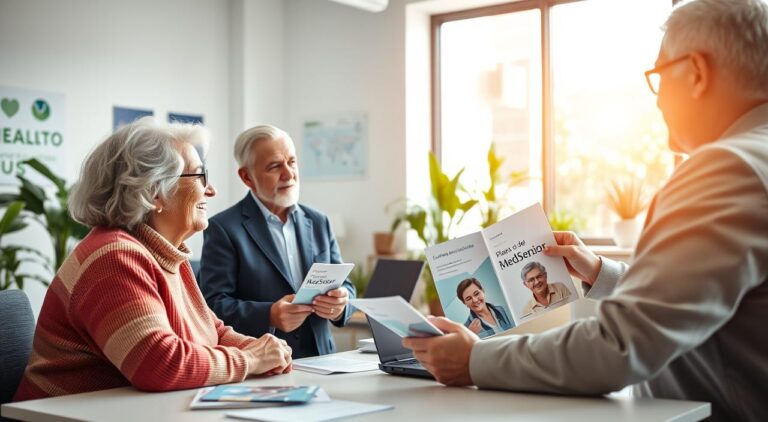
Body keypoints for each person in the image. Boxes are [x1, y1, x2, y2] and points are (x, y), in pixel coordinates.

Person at [402, 1, 768, 420]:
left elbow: (620, 346)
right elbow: (698, 295)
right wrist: (598, 270)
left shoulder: (727, 169)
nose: (659, 100)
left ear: (697, 73)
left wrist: (474, 360)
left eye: (659, 77)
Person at [13, 118, 292, 401]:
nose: (211, 190)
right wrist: (252, 361)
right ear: (154, 193)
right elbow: (161, 364)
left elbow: (212, 332)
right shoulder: (113, 257)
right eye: (200, 176)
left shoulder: (165, 253)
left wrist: (264, 349)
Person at [199, 125, 355, 359]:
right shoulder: (223, 229)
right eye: (275, 166)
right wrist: (268, 315)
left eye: (292, 162)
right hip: (263, 363)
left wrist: (341, 305)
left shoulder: (319, 221)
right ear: (247, 177)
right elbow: (212, 307)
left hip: (323, 361)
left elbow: (347, 287)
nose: (289, 174)